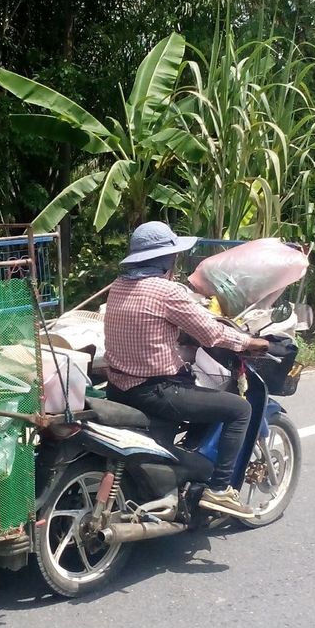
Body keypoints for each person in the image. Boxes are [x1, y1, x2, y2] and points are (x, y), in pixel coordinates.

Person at [104, 221, 270, 519]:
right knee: (239, 409)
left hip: (118, 387)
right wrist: (249, 342)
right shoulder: (166, 291)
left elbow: (150, 325)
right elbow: (211, 333)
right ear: (165, 259)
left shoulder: (118, 286)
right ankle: (219, 491)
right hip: (156, 390)